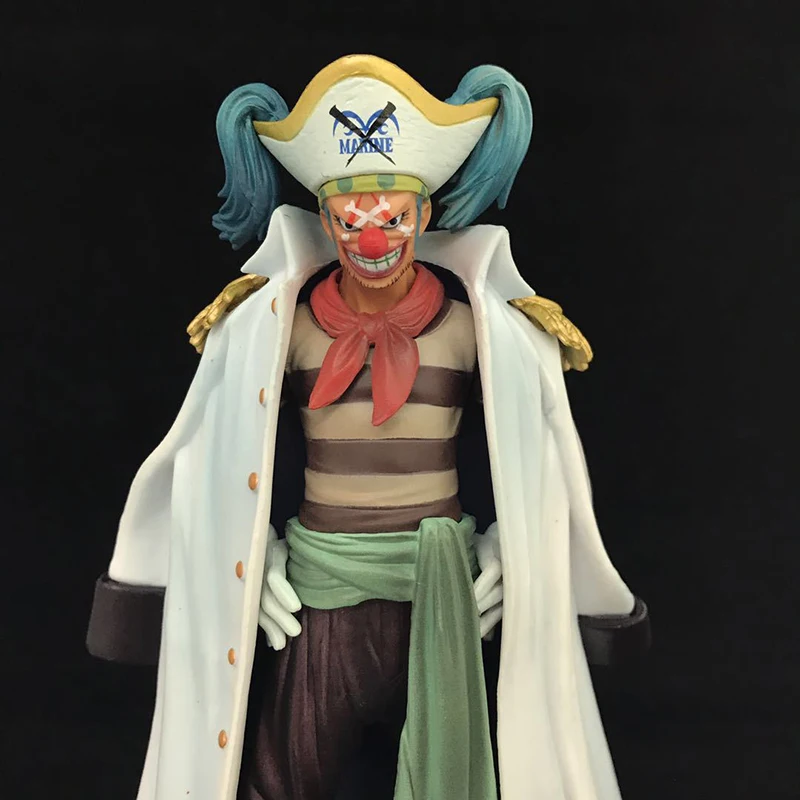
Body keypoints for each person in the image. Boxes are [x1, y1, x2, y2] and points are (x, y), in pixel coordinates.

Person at [87, 54, 650, 800]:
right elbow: (207, 451)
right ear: (326, 221)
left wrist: (519, 546)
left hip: (442, 591)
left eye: (392, 218)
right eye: (352, 220)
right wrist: (242, 556)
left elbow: (543, 455)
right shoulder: (271, 325)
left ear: (423, 215)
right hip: (320, 595)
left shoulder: (481, 329)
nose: (373, 239)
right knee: (273, 781)